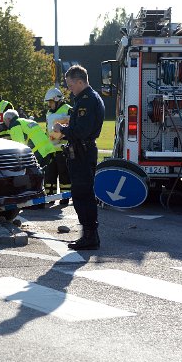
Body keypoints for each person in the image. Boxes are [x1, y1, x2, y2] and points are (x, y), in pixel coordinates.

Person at [53, 65, 105, 250]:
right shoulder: (87, 98)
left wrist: (62, 130)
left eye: (70, 84)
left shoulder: (86, 101)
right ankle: (89, 235)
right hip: (82, 151)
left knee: (83, 194)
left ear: (80, 81)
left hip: (83, 152)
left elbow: (82, 131)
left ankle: (90, 236)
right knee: (82, 193)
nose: (69, 89)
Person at [44, 87, 72, 205]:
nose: (49, 105)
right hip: (51, 149)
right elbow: (47, 130)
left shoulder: (69, 110)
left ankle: (65, 197)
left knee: (64, 174)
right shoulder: (49, 113)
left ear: (57, 100)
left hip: (63, 149)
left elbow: (72, 129)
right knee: (49, 174)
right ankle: (50, 196)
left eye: (50, 102)